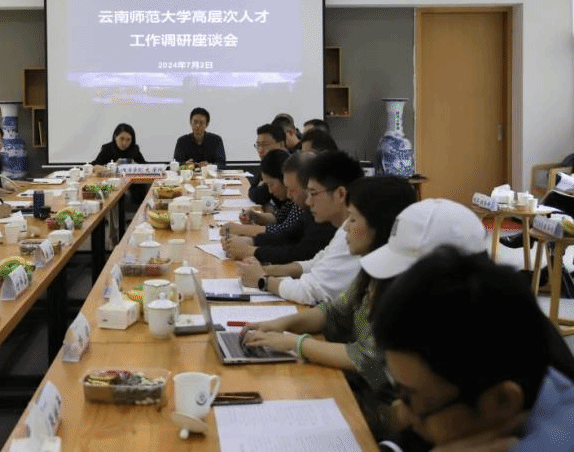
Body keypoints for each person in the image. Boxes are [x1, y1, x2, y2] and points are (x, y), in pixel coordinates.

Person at [239, 177, 420, 439]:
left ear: (381, 226)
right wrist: (280, 324)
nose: (345, 228)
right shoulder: (371, 270)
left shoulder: (402, 286)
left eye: (353, 220)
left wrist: (295, 343)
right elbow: (333, 312)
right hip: (360, 392)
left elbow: (368, 361)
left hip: (381, 414)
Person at [373, 246, 574, 452]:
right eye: (400, 391)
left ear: (502, 402)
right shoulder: (518, 371)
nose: (402, 416)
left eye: (410, 399)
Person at [237, 151, 364, 305]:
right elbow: (315, 262)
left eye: (313, 193)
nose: (309, 202)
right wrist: (266, 270)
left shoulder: (356, 234)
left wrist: (262, 279)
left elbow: (312, 291)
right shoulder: (343, 227)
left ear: (341, 194)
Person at [224, 152, 337, 264]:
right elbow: (286, 235)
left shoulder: (323, 216)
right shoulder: (308, 210)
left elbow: (301, 253)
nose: (289, 195)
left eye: (291, 189)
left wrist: (251, 250)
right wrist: (251, 241)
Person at [223, 150, 302, 237]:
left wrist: (242, 229)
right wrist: (255, 216)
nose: (270, 191)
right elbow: (278, 218)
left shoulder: (300, 202)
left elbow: (284, 232)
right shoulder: (291, 200)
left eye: (271, 184)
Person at [247, 123, 287, 204]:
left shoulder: (286, 165)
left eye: (265, 145)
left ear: (281, 144)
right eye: (258, 145)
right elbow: (252, 190)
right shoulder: (268, 163)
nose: (260, 150)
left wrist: (262, 186)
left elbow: (261, 196)